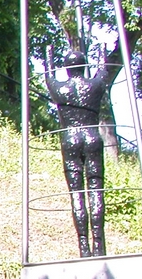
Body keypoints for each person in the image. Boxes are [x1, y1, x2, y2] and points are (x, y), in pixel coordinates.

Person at [45, 48, 108, 257]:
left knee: (76, 193)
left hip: (70, 139)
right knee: (96, 189)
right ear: (83, 65)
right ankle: (99, 245)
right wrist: (102, 53)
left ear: (66, 68)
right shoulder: (95, 86)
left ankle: (84, 247)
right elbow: (103, 72)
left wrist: (49, 56)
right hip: (92, 137)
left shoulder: (60, 89)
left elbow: (48, 76)